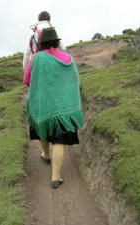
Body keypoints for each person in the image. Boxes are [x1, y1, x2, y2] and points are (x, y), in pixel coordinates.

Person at [24, 27, 83, 189]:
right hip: (62, 107)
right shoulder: (67, 58)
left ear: (41, 43)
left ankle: (46, 154)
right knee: (59, 140)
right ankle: (55, 178)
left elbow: (26, 80)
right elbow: (73, 80)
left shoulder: (36, 58)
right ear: (57, 42)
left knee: (42, 125)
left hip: (43, 103)